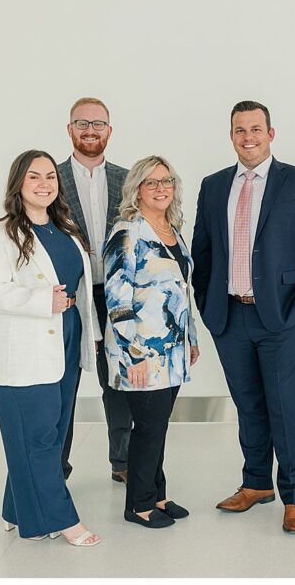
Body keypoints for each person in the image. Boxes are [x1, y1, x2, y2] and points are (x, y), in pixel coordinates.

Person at [191, 100, 295, 534]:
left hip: (283, 315)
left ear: (271, 133)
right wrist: (207, 302)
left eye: (255, 129)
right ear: (231, 135)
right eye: (240, 130)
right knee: (248, 403)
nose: (247, 137)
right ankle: (256, 483)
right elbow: (202, 251)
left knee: (286, 407)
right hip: (229, 316)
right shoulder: (214, 185)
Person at [0, 149, 102, 547]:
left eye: (50, 176)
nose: (44, 183)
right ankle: (64, 520)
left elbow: (81, 290)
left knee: (54, 432)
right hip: (22, 351)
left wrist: (91, 333)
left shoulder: (66, 231)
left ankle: (17, 509)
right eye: (34, 176)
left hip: (66, 340)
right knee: (40, 438)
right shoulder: (0, 235)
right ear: (18, 183)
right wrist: (41, 301)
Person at [104, 156, 200, 529]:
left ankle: (157, 495)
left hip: (172, 351)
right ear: (137, 190)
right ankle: (138, 505)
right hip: (141, 352)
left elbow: (182, 290)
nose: (161, 188)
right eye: (151, 182)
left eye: (167, 181)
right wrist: (135, 354)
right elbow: (116, 298)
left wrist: (191, 339)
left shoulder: (172, 229)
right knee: (148, 427)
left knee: (158, 425)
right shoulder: (127, 232)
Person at [57, 97, 132, 484]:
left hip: (117, 295)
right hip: (69, 297)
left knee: (117, 381)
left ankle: (124, 462)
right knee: (62, 382)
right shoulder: (50, 178)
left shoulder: (128, 179)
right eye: (82, 123)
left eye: (98, 123)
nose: (90, 130)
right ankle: (56, 467)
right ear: (69, 129)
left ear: (110, 130)